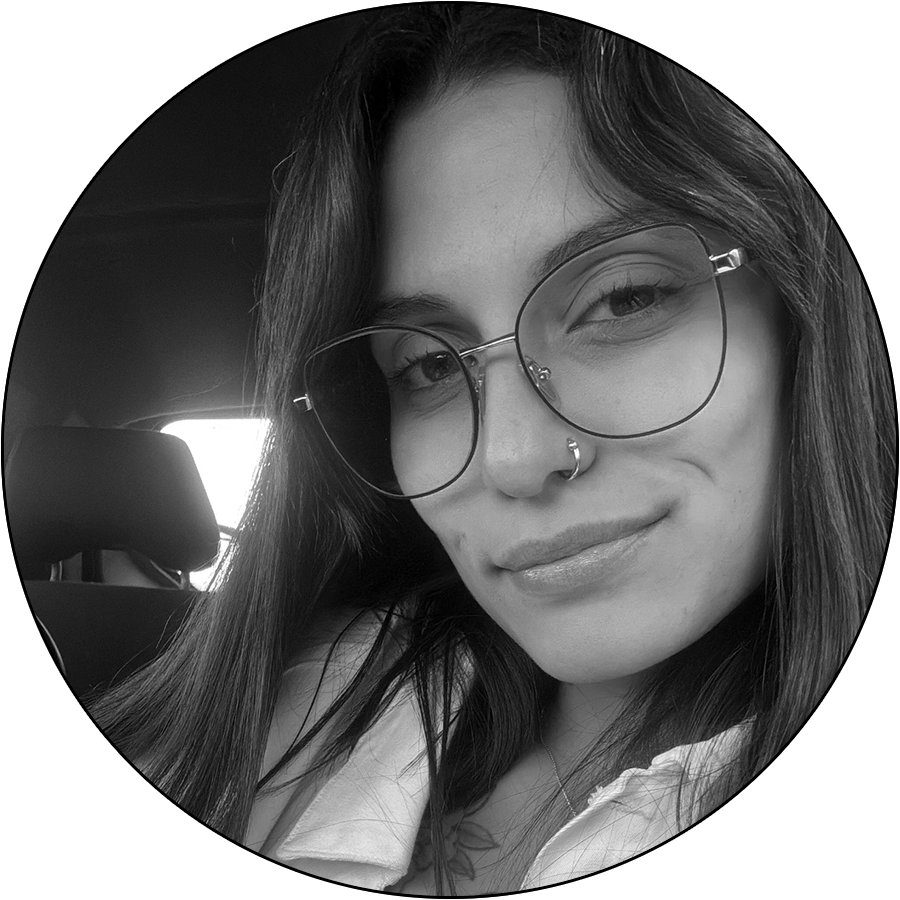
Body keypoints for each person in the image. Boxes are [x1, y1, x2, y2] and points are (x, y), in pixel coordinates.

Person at [88, 7, 893, 893]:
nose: (509, 458)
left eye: (624, 299)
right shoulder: (298, 686)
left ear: (806, 315)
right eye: (430, 366)